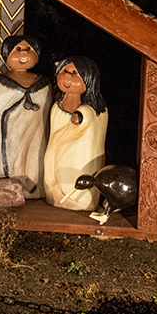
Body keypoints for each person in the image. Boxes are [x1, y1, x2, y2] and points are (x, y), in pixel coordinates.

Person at [0, 35, 52, 198]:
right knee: (11, 159)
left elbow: (46, 110)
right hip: (10, 134)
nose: (24, 53)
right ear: (6, 54)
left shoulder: (44, 84)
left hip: (36, 132)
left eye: (29, 49)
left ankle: (33, 189)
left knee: (34, 158)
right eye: (18, 49)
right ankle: (9, 190)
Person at [43, 55, 108, 211]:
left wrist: (82, 116)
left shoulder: (96, 110)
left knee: (74, 177)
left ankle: (81, 200)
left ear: (89, 80)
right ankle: (54, 195)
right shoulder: (56, 106)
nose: (67, 77)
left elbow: (91, 122)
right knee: (55, 174)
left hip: (80, 158)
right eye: (64, 71)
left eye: (74, 73)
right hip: (57, 156)